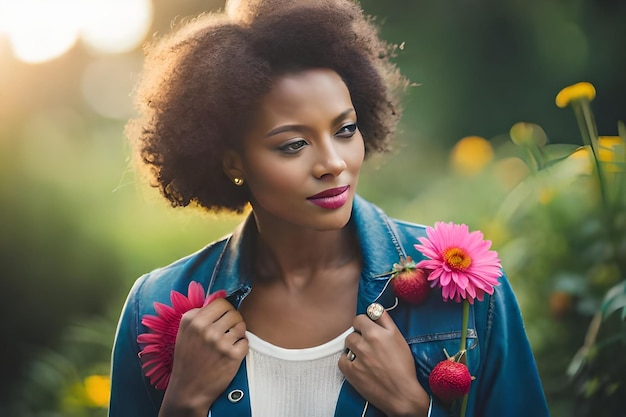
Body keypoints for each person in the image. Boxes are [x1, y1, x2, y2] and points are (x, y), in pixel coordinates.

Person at [109, 1, 550, 416]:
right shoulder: (153, 305)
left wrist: (415, 409)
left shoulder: (464, 284)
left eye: (345, 129)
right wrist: (181, 405)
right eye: (293, 144)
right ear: (233, 162)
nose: (333, 163)